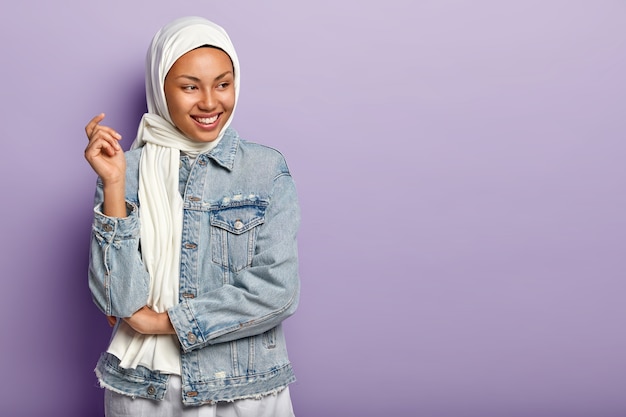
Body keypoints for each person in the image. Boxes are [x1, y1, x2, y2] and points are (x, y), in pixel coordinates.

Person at [84, 16, 300, 416]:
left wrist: (166, 323)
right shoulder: (124, 170)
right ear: (160, 89)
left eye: (223, 83)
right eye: (189, 87)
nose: (209, 102)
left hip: (246, 389)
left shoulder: (265, 170)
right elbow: (117, 302)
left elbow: (277, 290)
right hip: (146, 391)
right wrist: (114, 184)